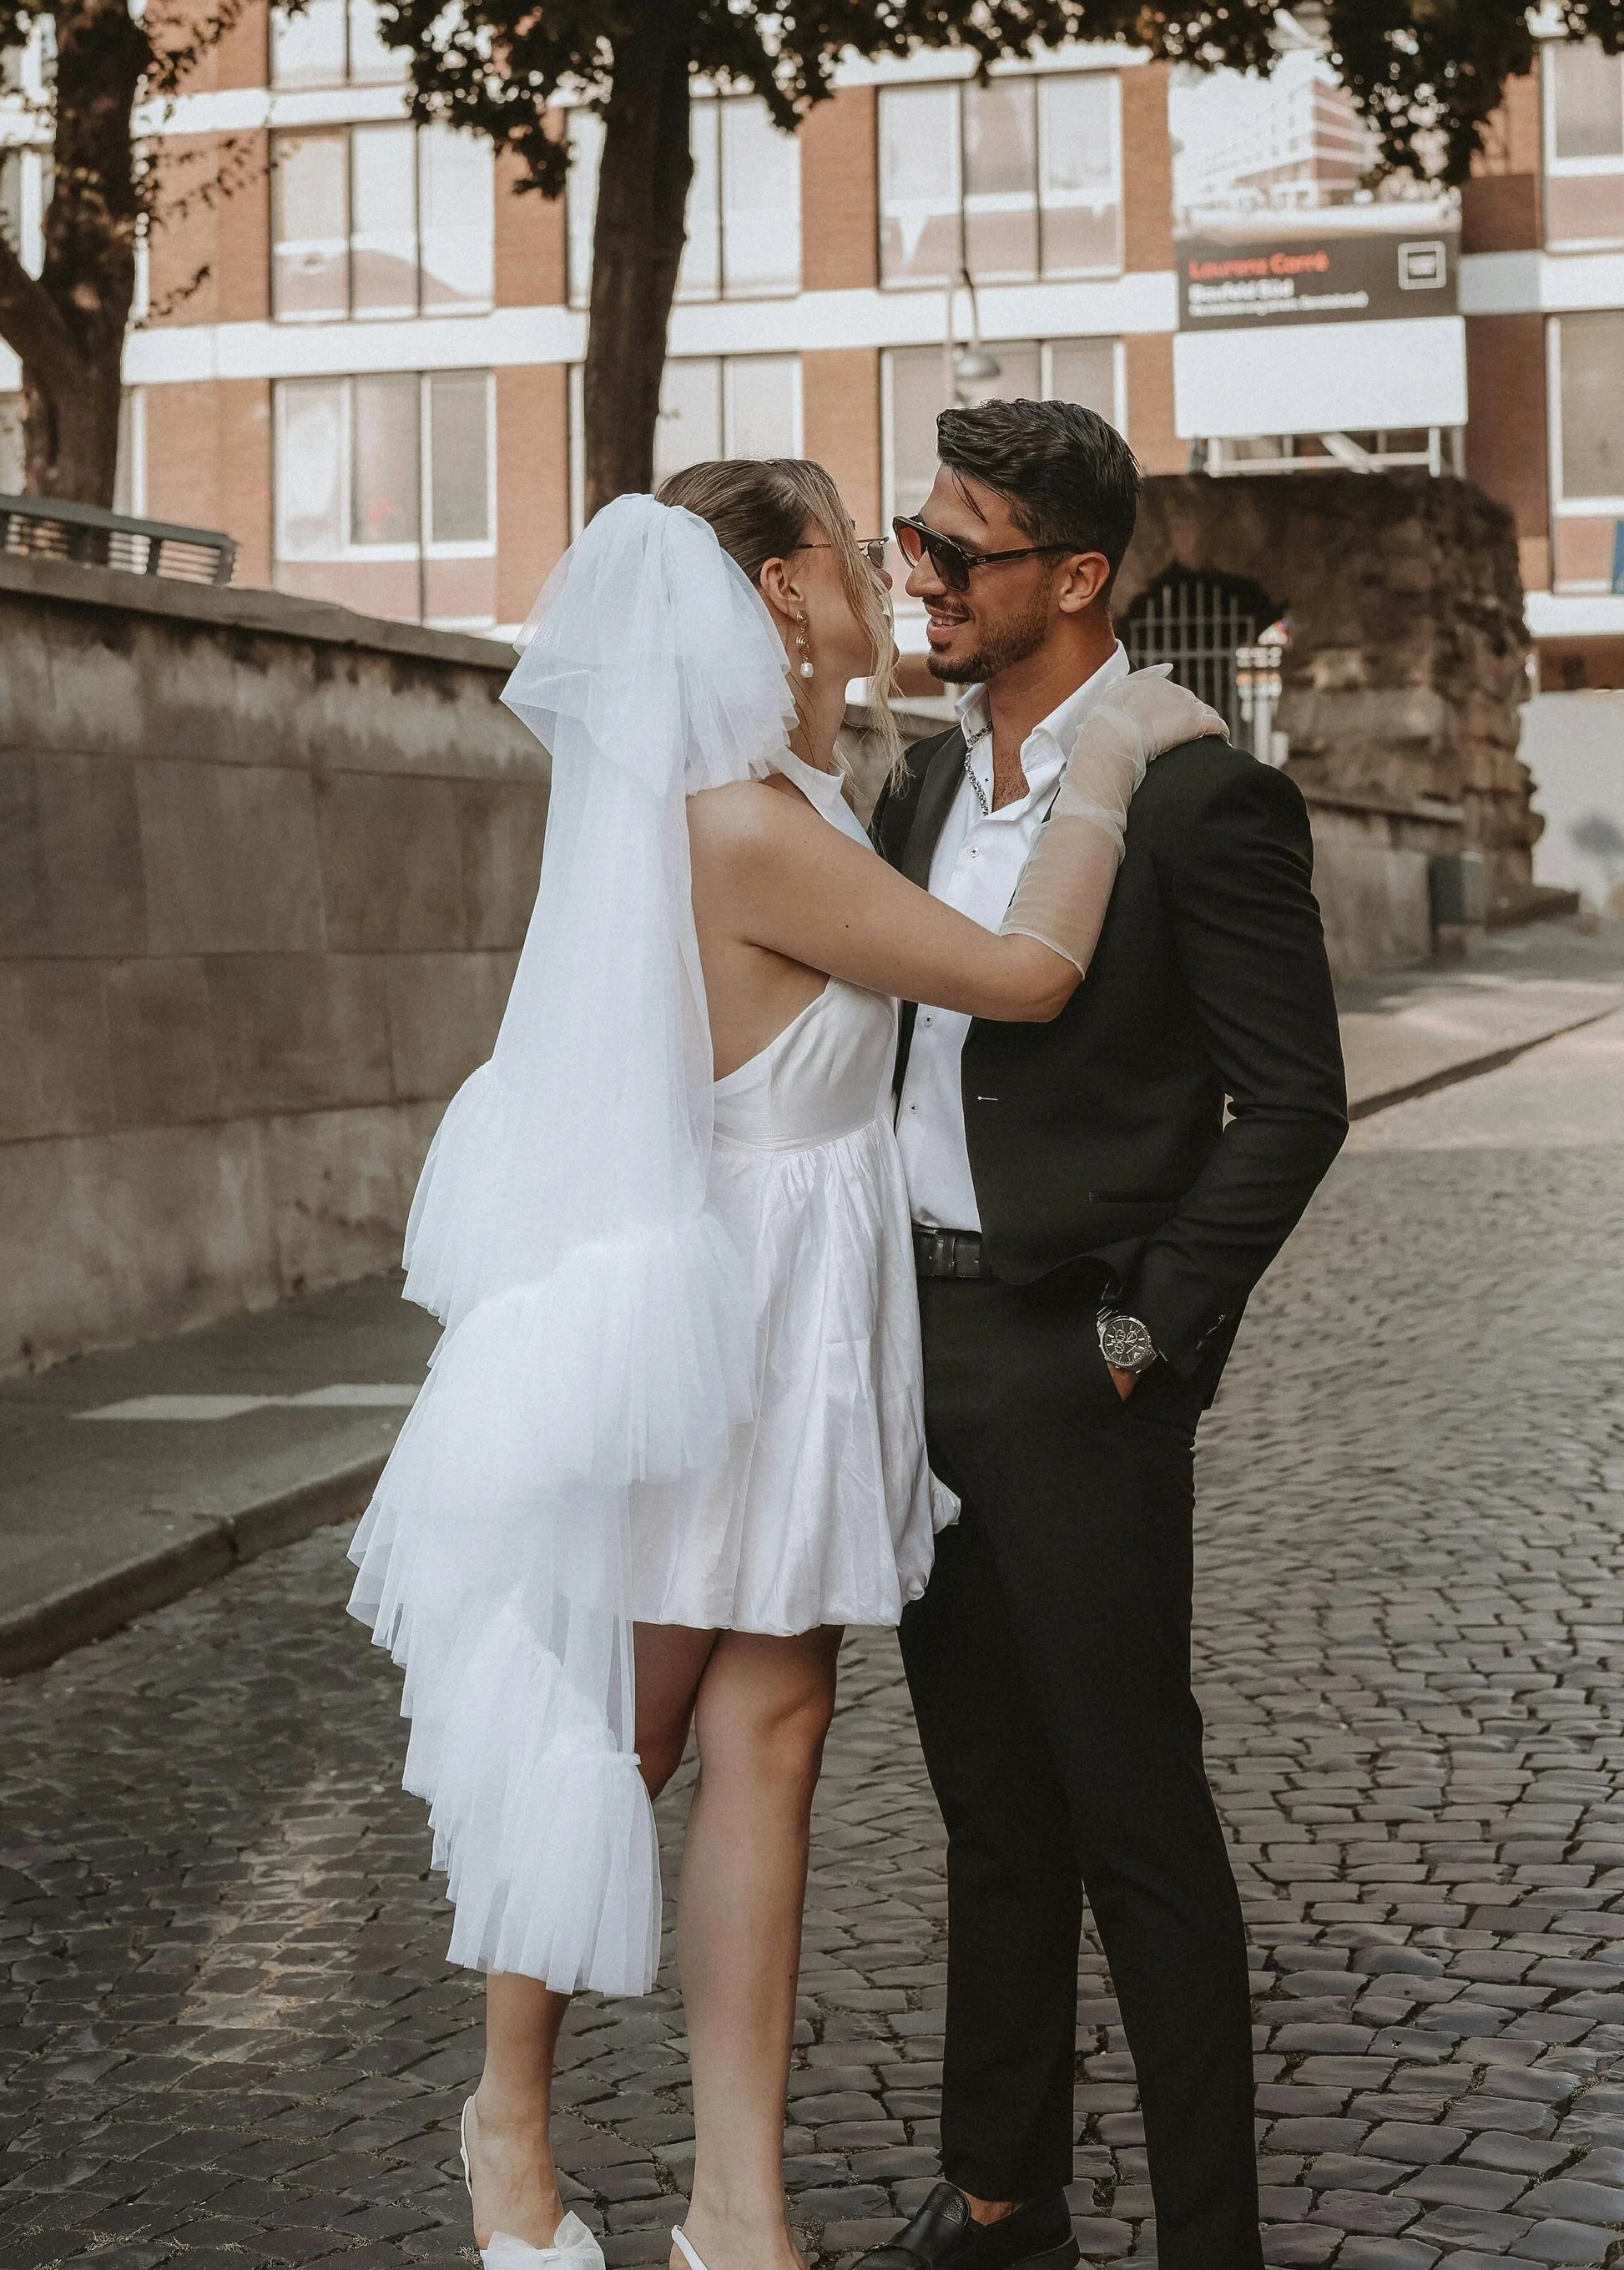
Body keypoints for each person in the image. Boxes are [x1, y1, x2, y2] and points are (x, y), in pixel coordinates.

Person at [348, 459, 1222, 2270]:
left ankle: (735, 2210)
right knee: (636, 1727)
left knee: (779, 1730)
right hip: (707, 1319)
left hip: (811, 1315)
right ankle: (507, 2127)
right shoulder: (738, 826)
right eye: (853, 551)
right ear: (771, 591)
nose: (886, 579)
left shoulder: (810, 794)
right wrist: (1114, 756)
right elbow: (1023, 971)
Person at [855, 401, 1349, 2270]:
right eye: (912, 542)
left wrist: (1147, 1340)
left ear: (1073, 579)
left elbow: (1290, 1105)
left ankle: (1206, 2244)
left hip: (1079, 1369)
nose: (920, 579)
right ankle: (1003, 2204)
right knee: (988, 1808)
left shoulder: (1198, 793)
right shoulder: (917, 786)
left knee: (1138, 1823)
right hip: (926, 1351)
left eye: (954, 554)